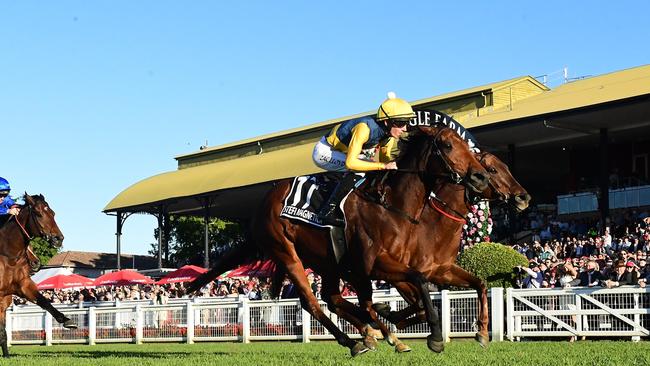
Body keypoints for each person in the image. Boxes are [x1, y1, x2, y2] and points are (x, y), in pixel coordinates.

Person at [312, 92, 415, 226]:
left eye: (407, 123)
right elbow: (351, 162)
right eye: (401, 123)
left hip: (343, 152)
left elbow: (385, 161)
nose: (404, 128)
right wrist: (382, 166)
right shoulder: (364, 128)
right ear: (386, 121)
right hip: (325, 152)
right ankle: (328, 210)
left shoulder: (388, 136)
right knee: (360, 168)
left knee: (371, 166)